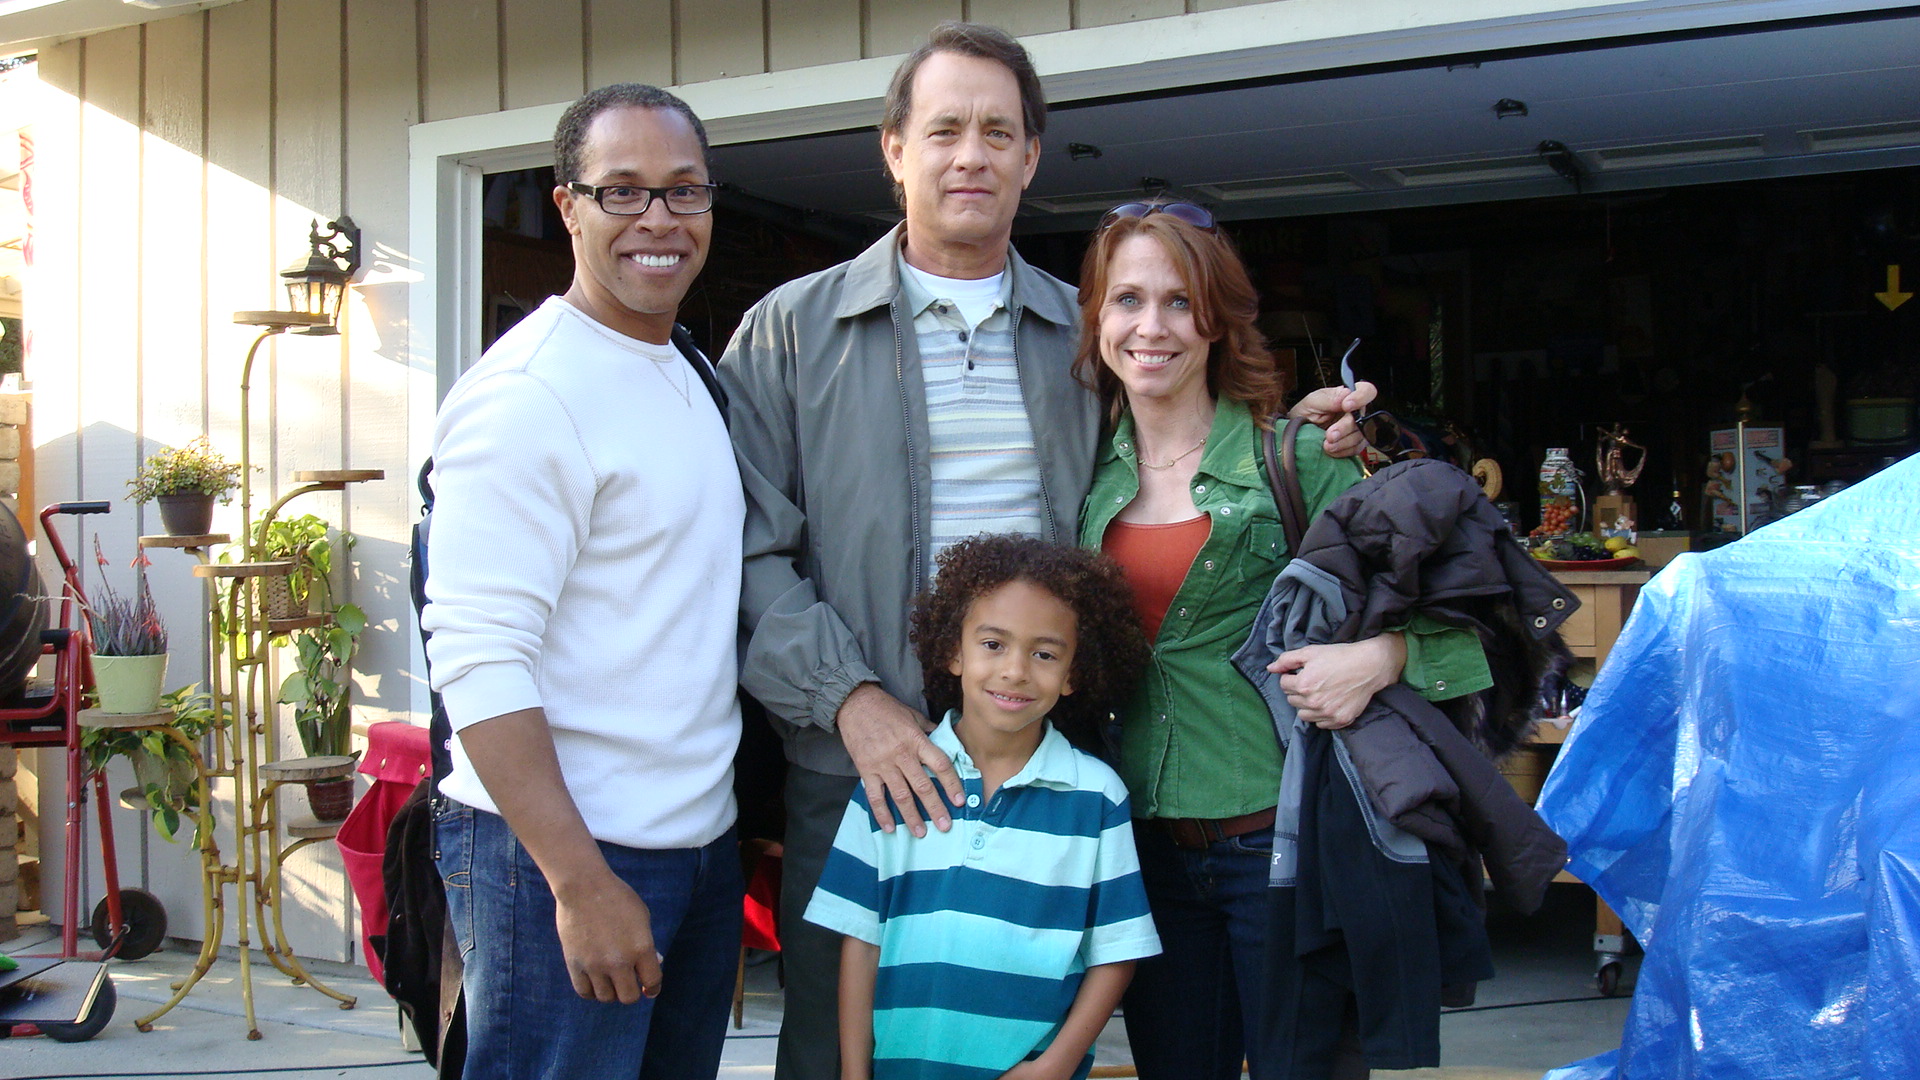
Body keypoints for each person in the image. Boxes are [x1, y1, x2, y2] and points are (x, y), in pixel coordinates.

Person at [719, 22, 1373, 1079]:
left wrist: (1294, 436)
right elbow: (746, 556)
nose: (969, 155)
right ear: (894, 149)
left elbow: (1186, 449)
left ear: (1031, 157)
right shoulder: (794, 333)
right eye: (943, 130)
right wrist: (853, 702)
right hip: (860, 763)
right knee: (842, 1045)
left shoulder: (1090, 337)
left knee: (1025, 1044)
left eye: (997, 132)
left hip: (1049, 767)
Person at [1072, 203, 1492, 1080]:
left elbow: (1471, 632)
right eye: (1128, 301)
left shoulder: (1300, 457)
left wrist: (1379, 659)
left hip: (1284, 848)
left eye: (1181, 303)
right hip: (1142, 850)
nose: (1152, 327)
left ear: (1220, 320)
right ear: (1097, 319)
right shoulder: (1078, 468)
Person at [422, 84, 743, 1080]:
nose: (659, 219)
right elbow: (476, 659)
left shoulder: (681, 365)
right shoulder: (528, 396)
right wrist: (580, 883)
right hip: (564, 860)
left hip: (694, 847)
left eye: (683, 191)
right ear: (568, 207)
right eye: (624, 192)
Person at [806, 535, 1160, 1080]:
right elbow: (860, 944)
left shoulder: (1096, 797)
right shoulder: (891, 786)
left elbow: (1118, 950)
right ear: (954, 651)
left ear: (1073, 675)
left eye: (1044, 653)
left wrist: (1054, 1068)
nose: (1015, 671)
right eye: (993, 644)